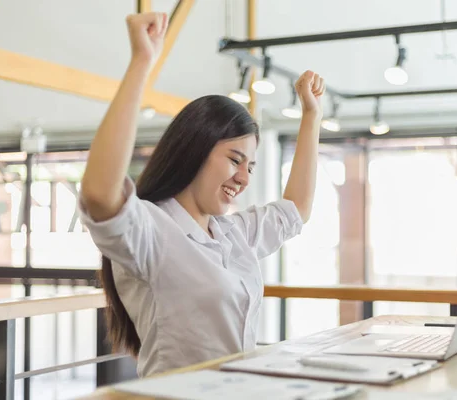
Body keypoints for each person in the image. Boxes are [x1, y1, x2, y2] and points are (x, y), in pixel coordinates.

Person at [78, 12, 325, 377]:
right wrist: (142, 63)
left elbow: (296, 210)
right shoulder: (152, 231)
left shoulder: (231, 234)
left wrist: (311, 116)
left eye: (251, 167)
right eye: (234, 160)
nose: (243, 178)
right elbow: (99, 193)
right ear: (195, 149)